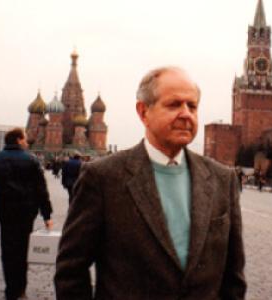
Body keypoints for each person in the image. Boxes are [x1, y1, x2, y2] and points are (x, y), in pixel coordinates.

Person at [55, 66, 246, 299]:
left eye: (192, 106)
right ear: (143, 111)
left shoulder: (222, 179)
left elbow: (233, 275)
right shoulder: (103, 177)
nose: (186, 113)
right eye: (174, 104)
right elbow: (71, 270)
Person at [0, 128, 53, 300]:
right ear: (19, 140)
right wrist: (47, 215)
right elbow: (41, 190)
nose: (27, 143)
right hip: (27, 211)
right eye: (26, 139)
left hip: (5, 210)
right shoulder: (32, 160)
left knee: (8, 249)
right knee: (23, 248)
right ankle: (20, 289)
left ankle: (11, 290)